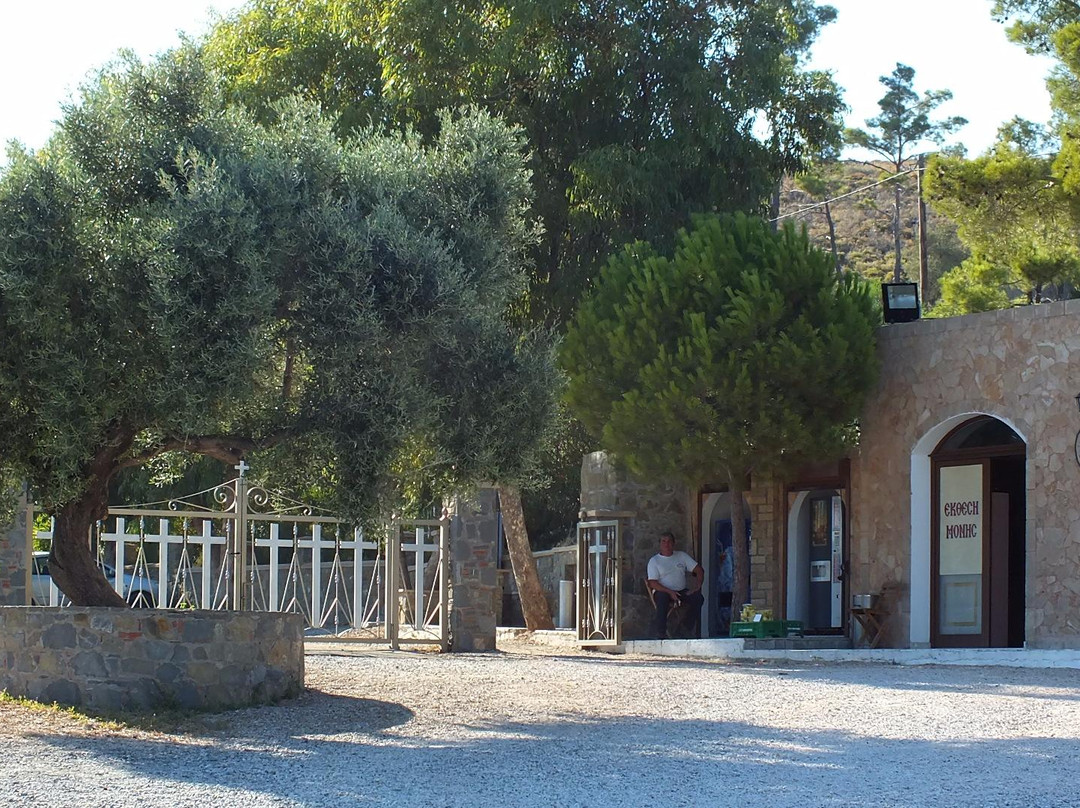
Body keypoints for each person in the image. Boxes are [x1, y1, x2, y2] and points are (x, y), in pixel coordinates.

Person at [646, 531, 704, 639]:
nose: (666, 544)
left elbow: (699, 570)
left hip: (680, 591)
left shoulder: (681, 556)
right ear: (660, 544)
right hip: (662, 591)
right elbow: (652, 582)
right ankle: (661, 633)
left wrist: (697, 587)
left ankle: (684, 629)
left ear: (673, 543)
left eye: (669, 541)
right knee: (662, 598)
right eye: (663, 541)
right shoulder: (654, 561)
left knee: (698, 598)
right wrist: (669, 592)